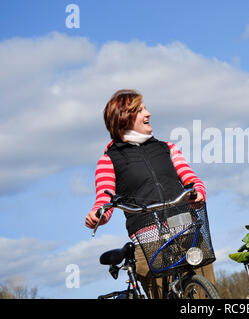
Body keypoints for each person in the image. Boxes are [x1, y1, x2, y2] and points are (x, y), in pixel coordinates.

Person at [85, 89, 216, 298]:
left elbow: (191, 179)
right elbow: (105, 196)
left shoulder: (167, 148)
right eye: (140, 110)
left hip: (187, 231)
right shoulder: (108, 160)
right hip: (150, 243)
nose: (148, 113)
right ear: (124, 118)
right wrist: (98, 215)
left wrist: (197, 191)